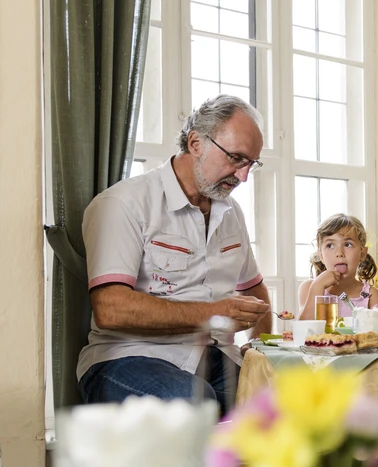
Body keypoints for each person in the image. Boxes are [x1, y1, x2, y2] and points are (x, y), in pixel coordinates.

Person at [78, 94, 272, 413]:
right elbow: (111, 308)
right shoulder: (124, 204)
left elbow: (253, 288)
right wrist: (214, 312)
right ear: (196, 142)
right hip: (127, 357)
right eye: (236, 158)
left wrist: (259, 346)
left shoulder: (231, 212)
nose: (243, 176)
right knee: (192, 402)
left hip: (210, 357)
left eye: (251, 163)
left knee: (281, 399)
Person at [298, 214, 378, 319]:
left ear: (362, 254)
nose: (339, 253)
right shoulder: (308, 287)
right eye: (330, 245)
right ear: (321, 256)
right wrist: (317, 287)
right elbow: (304, 329)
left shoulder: (371, 295)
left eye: (348, 244)